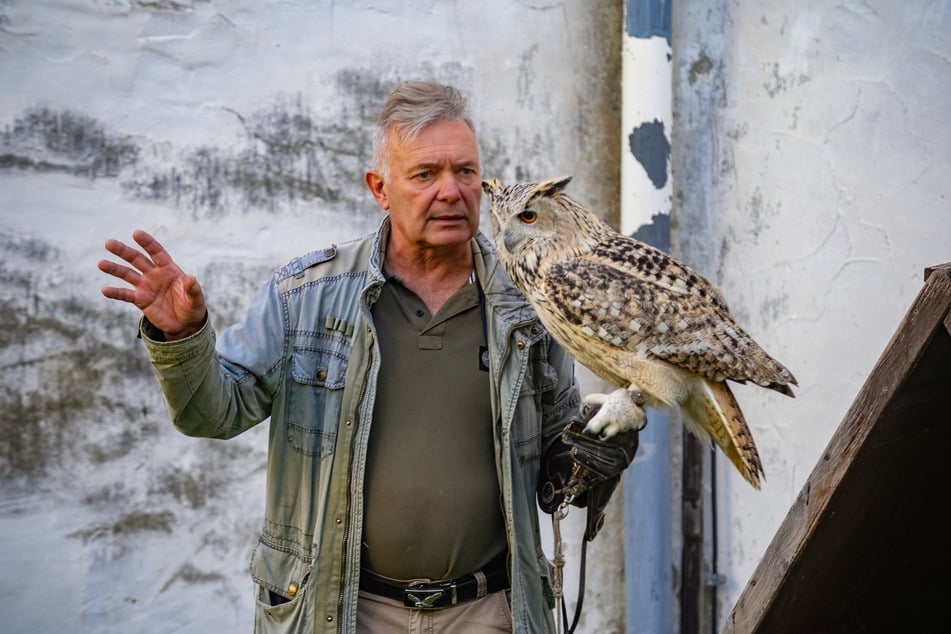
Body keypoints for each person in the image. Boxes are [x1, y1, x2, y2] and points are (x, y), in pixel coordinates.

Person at [98, 81, 637, 633]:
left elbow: (557, 455)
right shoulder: (305, 296)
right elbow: (212, 414)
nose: (451, 191)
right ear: (380, 188)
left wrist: (596, 451)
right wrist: (185, 337)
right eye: (425, 174)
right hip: (345, 612)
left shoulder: (530, 302)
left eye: (466, 172)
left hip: (490, 611)